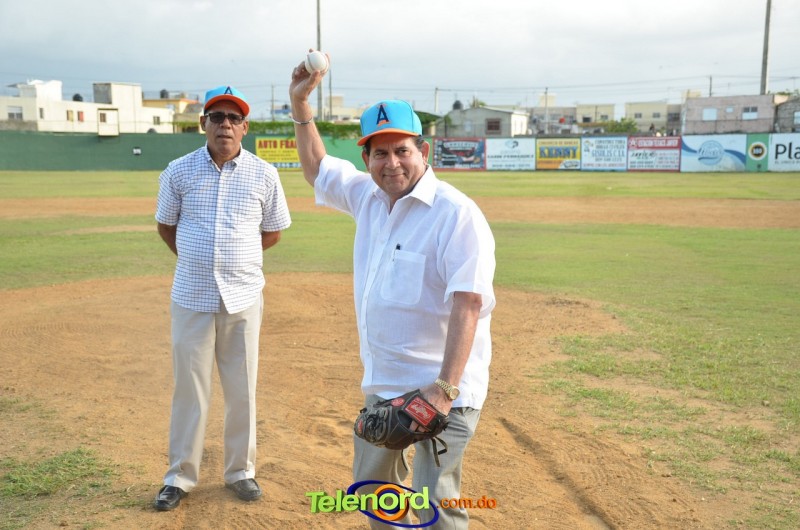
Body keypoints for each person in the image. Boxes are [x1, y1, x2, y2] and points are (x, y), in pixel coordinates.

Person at [289, 58, 495, 529]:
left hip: (445, 390)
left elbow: (468, 303)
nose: (392, 163)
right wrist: (301, 103)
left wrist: (443, 391)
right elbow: (318, 168)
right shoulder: (366, 197)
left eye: (402, 150)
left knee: (434, 506)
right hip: (384, 387)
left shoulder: (455, 214)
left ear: (424, 151)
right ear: (366, 159)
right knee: (375, 496)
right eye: (379, 153)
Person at [153, 85, 292, 511]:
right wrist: (200, 260)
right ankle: (179, 476)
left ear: (245, 128)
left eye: (234, 118)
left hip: (244, 297)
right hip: (192, 296)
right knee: (190, 391)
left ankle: (240, 472)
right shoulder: (178, 171)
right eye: (217, 117)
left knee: (242, 389)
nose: (225, 125)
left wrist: (235, 260)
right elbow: (166, 227)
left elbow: (273, 232)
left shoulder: (264, 174)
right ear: (204, 124)